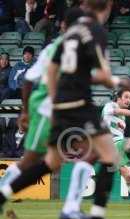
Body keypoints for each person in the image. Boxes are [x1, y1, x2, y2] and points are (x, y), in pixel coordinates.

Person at [0, 0, 130, 219]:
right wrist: (119, 82)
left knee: (51, 162)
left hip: (60, 104)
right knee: (111, 157)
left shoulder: (70, 35)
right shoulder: (95, 31)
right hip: (80, 103)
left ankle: (4, 195)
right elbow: (102, 74)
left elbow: (52, 69)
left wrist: (56, 99)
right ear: (108, 8)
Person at [0, 7, 85, 194]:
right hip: (46, 110)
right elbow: (29, 79)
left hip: (62, 111)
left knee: (69, 156)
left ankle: (73, 209)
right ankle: (2, 192)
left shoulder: (78, 51)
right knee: (32, 160)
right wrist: (25, 111)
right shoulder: (54, 49)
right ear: (64, 26)